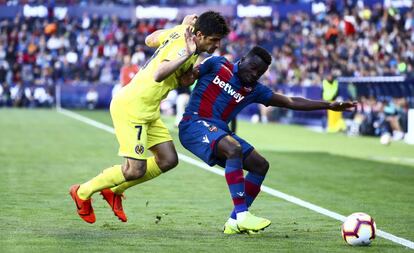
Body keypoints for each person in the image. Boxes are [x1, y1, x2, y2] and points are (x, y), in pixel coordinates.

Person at [69, 12, 230, 224]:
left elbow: (150, 39)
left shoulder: (184, 34)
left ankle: (114, 190)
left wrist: (179, 31)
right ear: (199, 34)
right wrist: (184, 53)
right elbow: (159, 74)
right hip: (132, 108)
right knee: (135, 169)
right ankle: (82, 192)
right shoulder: (185, 46)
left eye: (219, 40)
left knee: (168, 160)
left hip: (149, 110)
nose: (217, 45)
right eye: (214, 39)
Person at [178, 46, 356, 234]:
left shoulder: (254, 90)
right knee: (234, 148)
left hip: (219, 130)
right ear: (244, 58)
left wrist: (328, 105)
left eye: (260, 72)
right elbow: (188, 77)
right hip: (193, 124)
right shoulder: (218, 64)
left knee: (260, 165)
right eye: (253, 68)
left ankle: (233, 222)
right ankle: (242, 215)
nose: (255, 74)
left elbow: (290, 101)